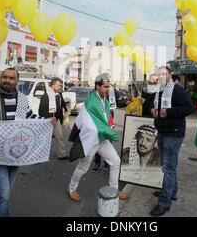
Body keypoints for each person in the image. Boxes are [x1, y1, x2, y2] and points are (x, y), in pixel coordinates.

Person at [0, 68, 57, 217]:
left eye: (11, 78)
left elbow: (29, 117)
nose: (7, 81)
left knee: (1, 196)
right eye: (4, 77)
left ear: (17, 81)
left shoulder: (21, 99)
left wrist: (47, 122)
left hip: (14, 154)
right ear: (0, 78)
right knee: (3, 196)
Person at [67, 73, 130, 202]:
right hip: (91, 140)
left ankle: (114, 190)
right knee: (82, 167)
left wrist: (109, 126)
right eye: (105, 87)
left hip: (102, 138)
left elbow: (104, 118)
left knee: (115, 161)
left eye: (109, 87)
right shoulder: (91, 102)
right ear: (97, 86)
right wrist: (107, 130)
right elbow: (89, 124)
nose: (108, 90)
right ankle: (71, 188)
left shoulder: (104, 100)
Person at [150, 66, 194, 216]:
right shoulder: (159, 90)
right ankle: (171, 193)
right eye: (159, 74)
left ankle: (164, 202)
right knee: (167, 166)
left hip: (173, 134)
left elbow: (189, 108)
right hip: (163, 131)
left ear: (170, 75)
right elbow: (155, 105)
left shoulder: (177, 90)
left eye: (164, 74)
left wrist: (169, 112)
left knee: (168, 168)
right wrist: (153, 110)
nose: (161, 77)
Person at [92, 82, 129, 173]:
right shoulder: (96, 89)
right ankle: (97, 163)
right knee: (98, 141)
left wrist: (126, 102)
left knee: (108, 141)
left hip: (109, 117)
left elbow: (118, 102)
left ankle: (107, 164)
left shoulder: (112, 89)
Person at [39, 77, 69, 160]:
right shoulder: (46, 96)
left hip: (57, 120)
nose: (60, 87)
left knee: (60, 136)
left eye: (60, 86)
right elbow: (41, 110)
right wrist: (46, 118)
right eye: (58, 85)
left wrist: (65, 111)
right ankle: (40, 155)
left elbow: (62, 103)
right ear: (53, 86)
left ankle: (62, 154)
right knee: (44, 138)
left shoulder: (59, 94)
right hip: (47, 120)